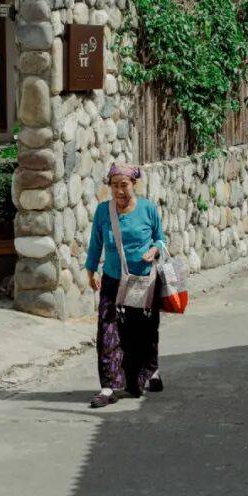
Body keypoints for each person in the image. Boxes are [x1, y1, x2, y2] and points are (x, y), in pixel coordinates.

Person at [84, 161, 167, 408]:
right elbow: (95, 243)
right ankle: (108, 387)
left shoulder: (148, 209)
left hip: (143, 282)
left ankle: (148, 372)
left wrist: (154, 250)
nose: (119, 191)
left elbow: (160, 239)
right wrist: (91, 270)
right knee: (108, 332)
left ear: (134, 184)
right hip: (112, 281)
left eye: (124, 185)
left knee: (142, 333)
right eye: (114, 186)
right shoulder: (103, 211)